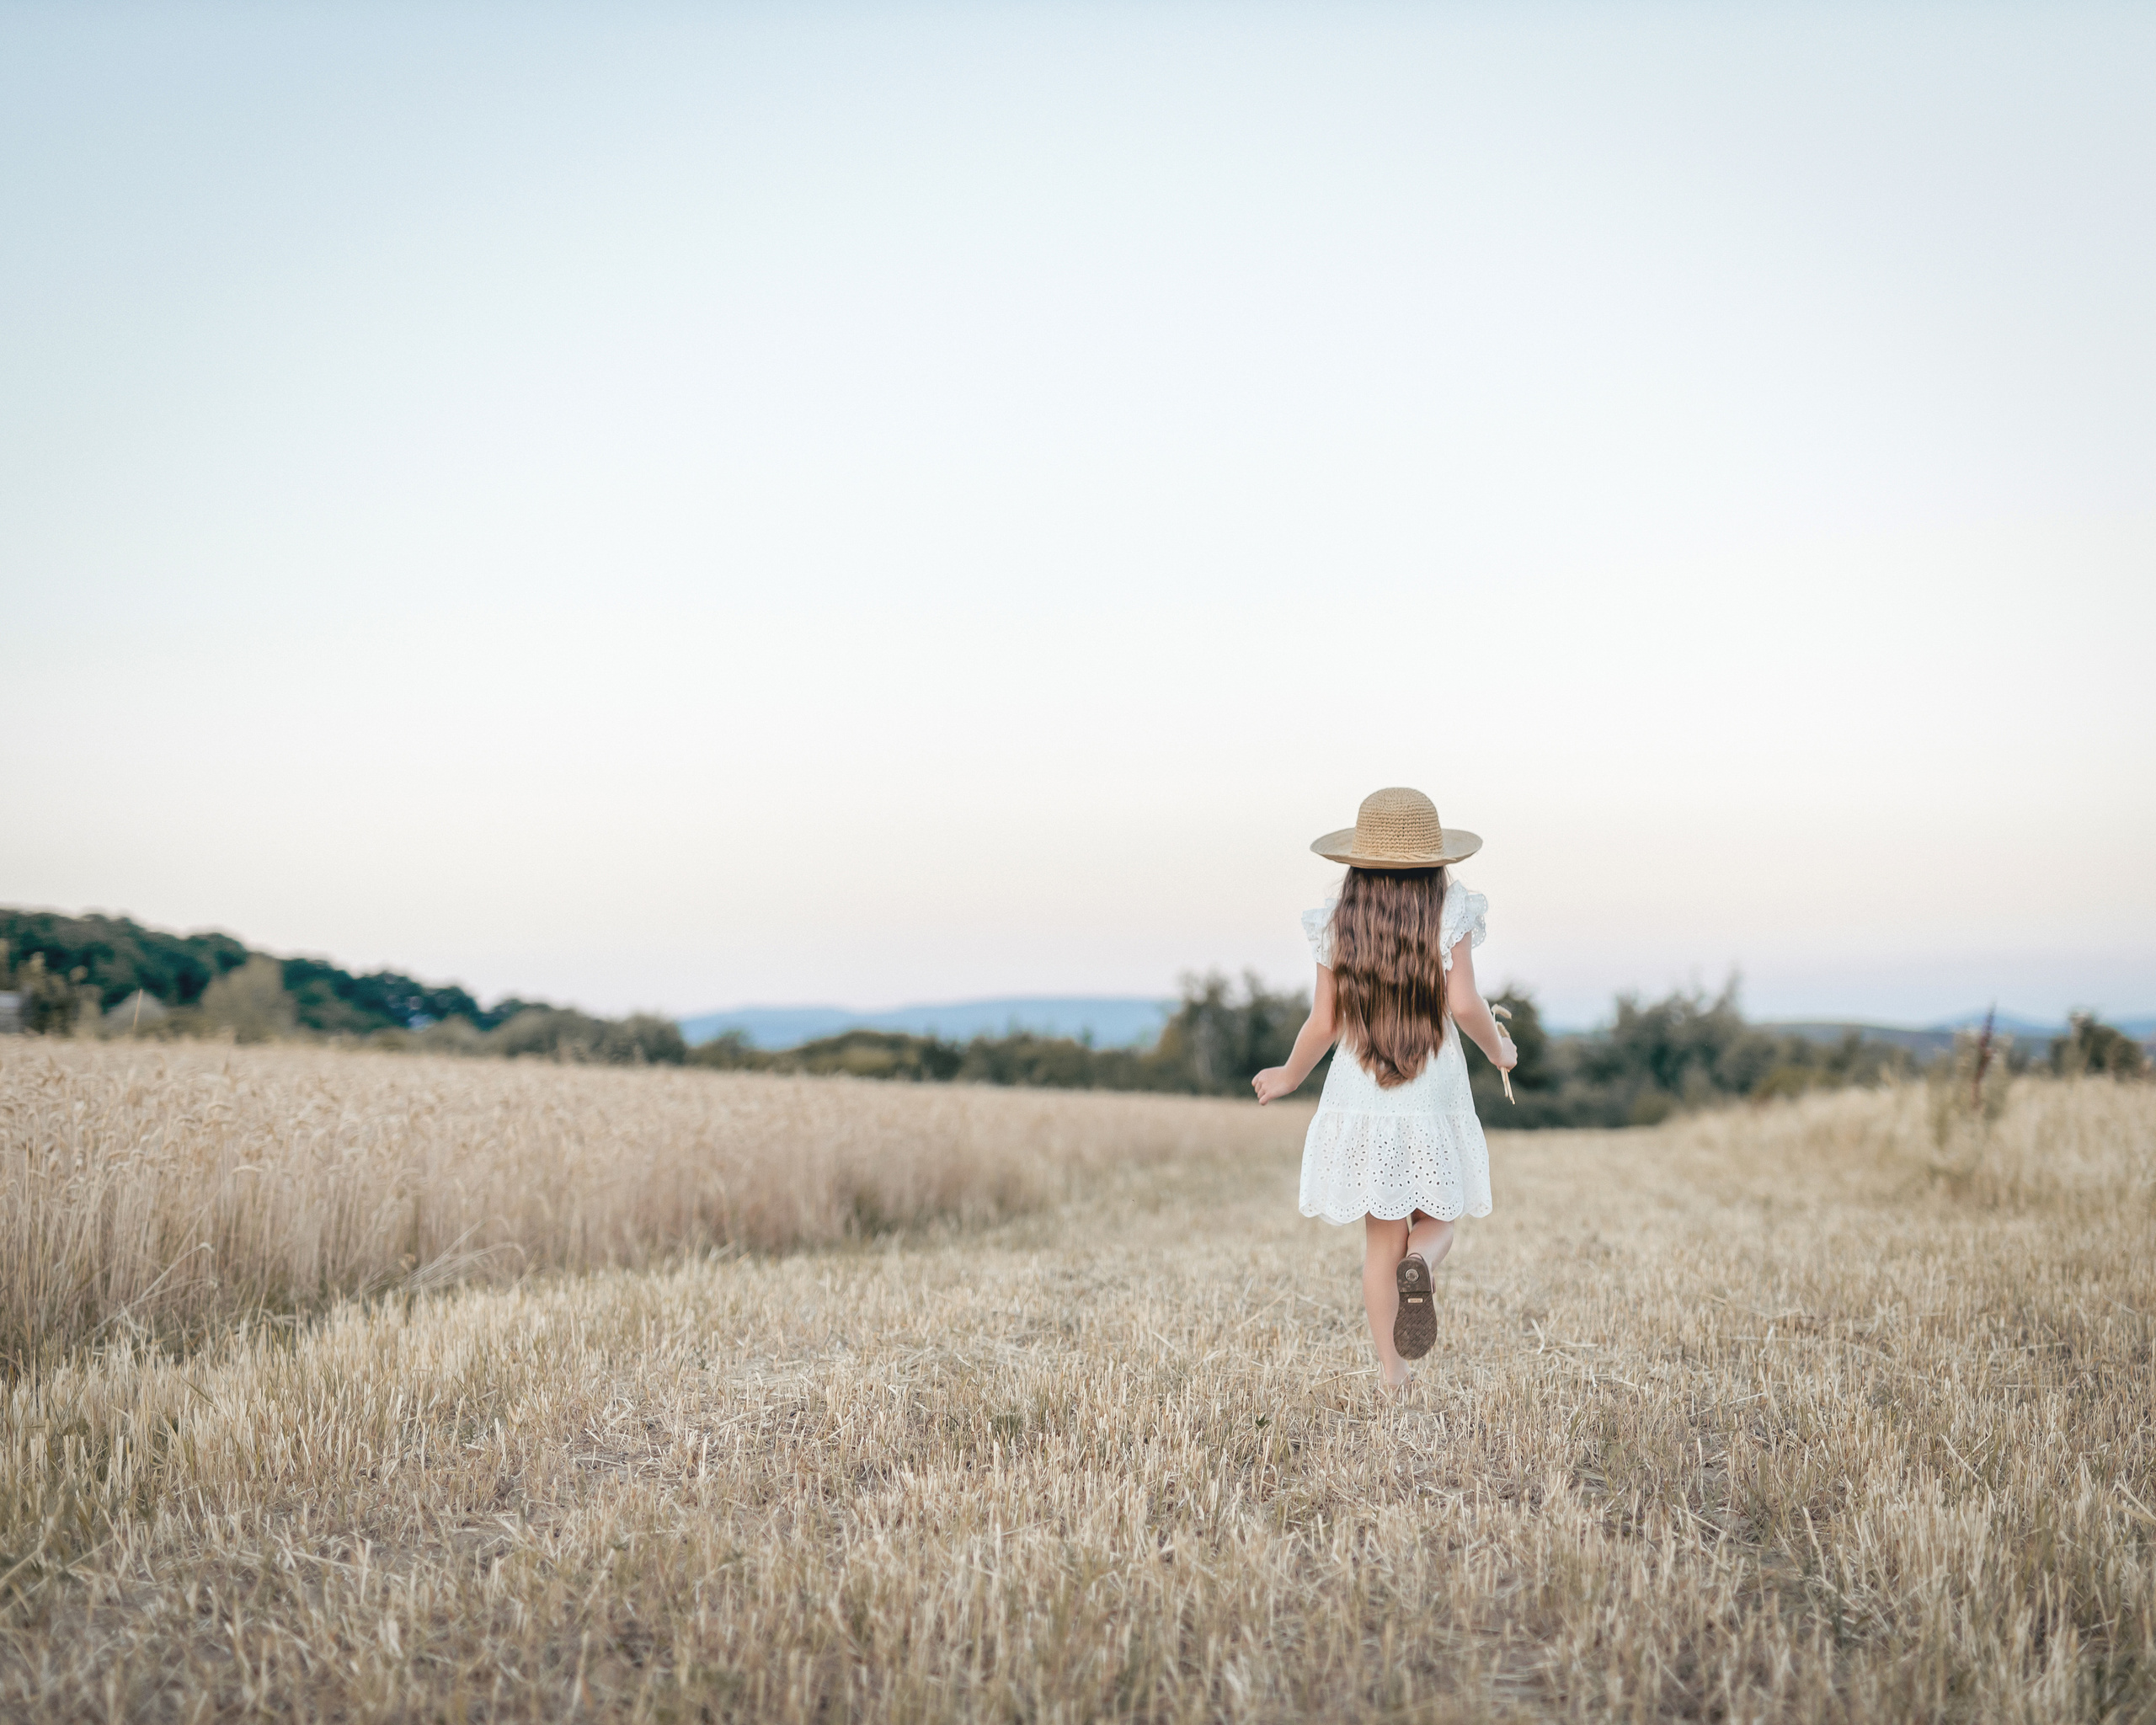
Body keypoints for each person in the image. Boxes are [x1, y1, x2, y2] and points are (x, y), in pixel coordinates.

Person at [1251, 787, 1516, 1391]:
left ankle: (1393, 1379)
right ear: (1435, 859)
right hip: (1432, 1089)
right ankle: (1420, 1263)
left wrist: (1289, 1075)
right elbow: (1466, 1002)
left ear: (1357, 860)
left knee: (1379, 1243)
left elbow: (1323, 1021)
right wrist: (1501, 1050)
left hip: (1361, 1090)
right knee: (1439, 1216)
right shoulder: (1451, 912)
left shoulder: (1336, 922)